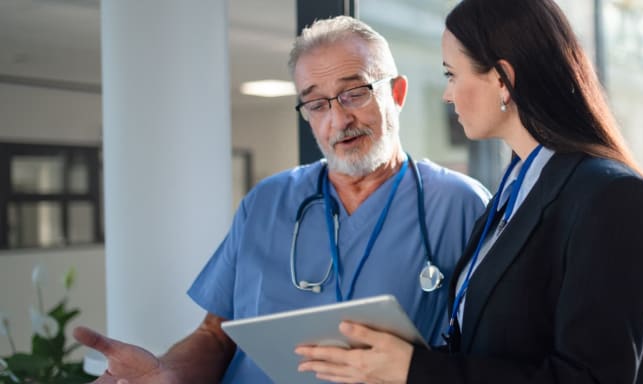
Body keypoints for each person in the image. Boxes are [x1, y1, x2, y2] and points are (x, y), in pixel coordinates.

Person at [72, 16, 489, 383]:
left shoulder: (459, 205)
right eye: (316, 103)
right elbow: (216, 334)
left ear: (397, 94)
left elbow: (487, 348)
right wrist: (170, 373)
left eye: (355, 93)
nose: (338, 119)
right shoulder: (267, 202)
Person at [293, 1, 643, 383]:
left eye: (452, 74)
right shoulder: (515, 189)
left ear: (501, 79)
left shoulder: (613, 198)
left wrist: (415, 370)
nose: (448, 94)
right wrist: (381, 364)